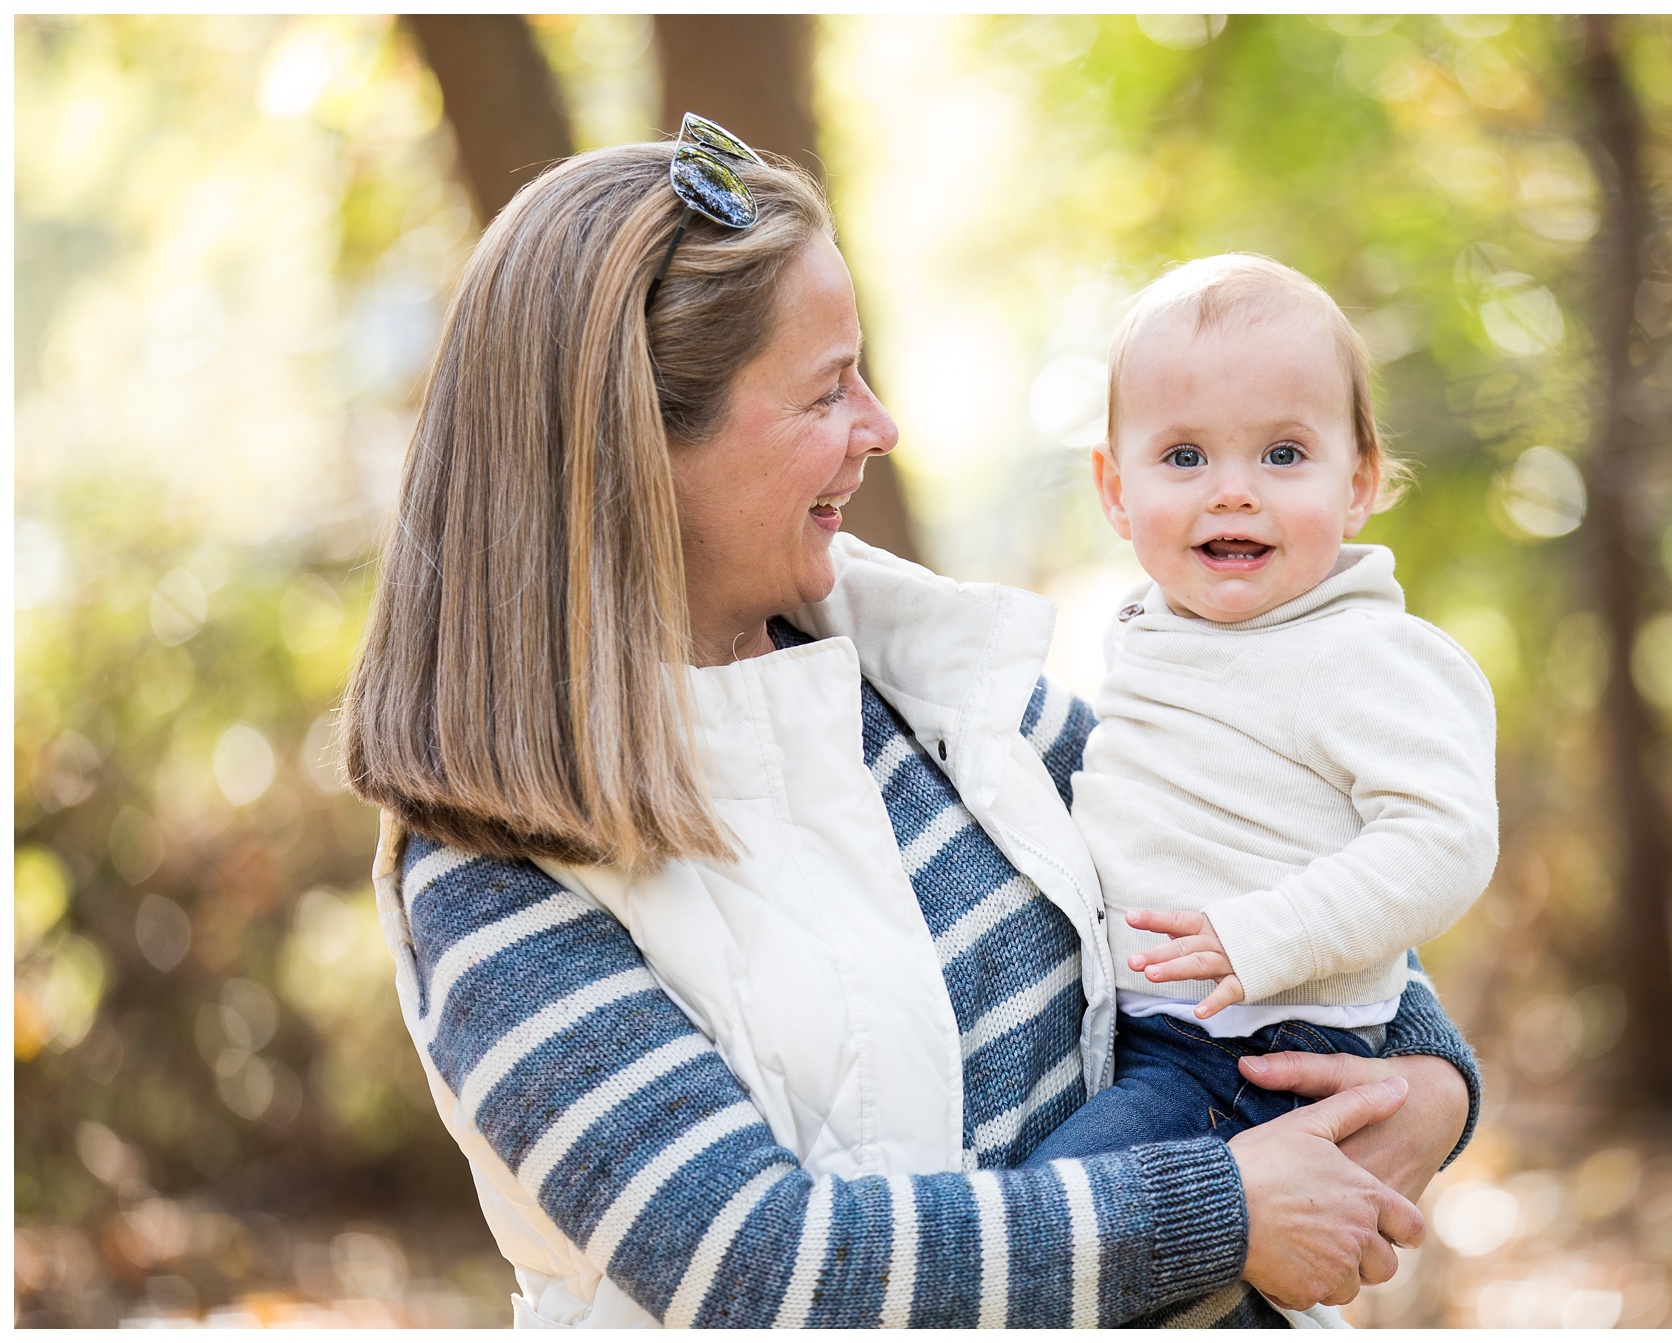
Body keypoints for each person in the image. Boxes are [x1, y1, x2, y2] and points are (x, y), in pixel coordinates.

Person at [342, 128, 1479, 1329]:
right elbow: (759, 1262)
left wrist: (1428, 1071)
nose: (880, 427)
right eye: (825, 388)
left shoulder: (923, 681)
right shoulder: (490, 871)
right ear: (638, 446)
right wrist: (1219, 1212)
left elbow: (1223, 867)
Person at [1031, 255, 1499, 1165]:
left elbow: (1445, 839)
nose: (1234, 488)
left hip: (1255, 1051)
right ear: (1116, 491)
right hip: (1145, 1033)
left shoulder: (1366, 656)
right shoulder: (1153, 629)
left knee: (1068, 1215)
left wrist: (1264, 934)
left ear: (1358, 482)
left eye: (1284, 454)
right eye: (1184, 456)